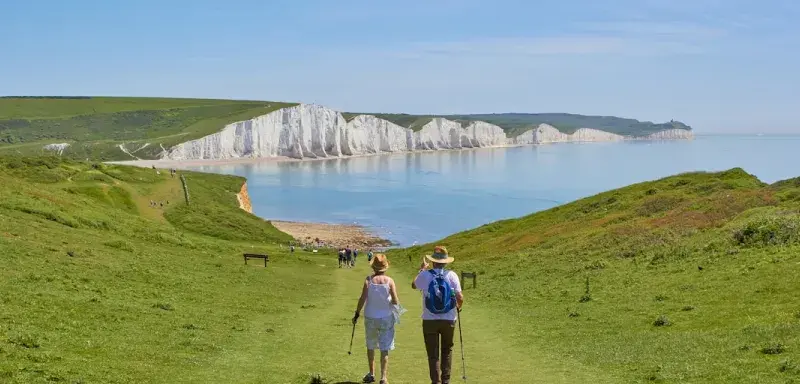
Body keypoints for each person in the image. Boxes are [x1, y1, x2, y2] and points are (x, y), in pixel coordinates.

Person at [412, 246, 464, 384]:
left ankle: (436, 381)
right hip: (449, 319)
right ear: (445, 262)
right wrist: (459, 307)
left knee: (433, 353)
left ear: (433, 261)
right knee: (447, 350)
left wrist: (422, 269)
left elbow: (414, 285)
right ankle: (446, 381)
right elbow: (460, 297)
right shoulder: (452, 275)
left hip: (429, 319)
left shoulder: (425, 275)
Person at [353, 254, 400, 384]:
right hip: (386, 317)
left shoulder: (368, 280)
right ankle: (383, 377)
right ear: (385, 267)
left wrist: (357, 313)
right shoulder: (390, 281)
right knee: (385, 348)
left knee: (371, 345)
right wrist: (390, 303)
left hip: (370, 317)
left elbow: (362, 298)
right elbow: (395, 301)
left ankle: (372, 373)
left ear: (373, 267)